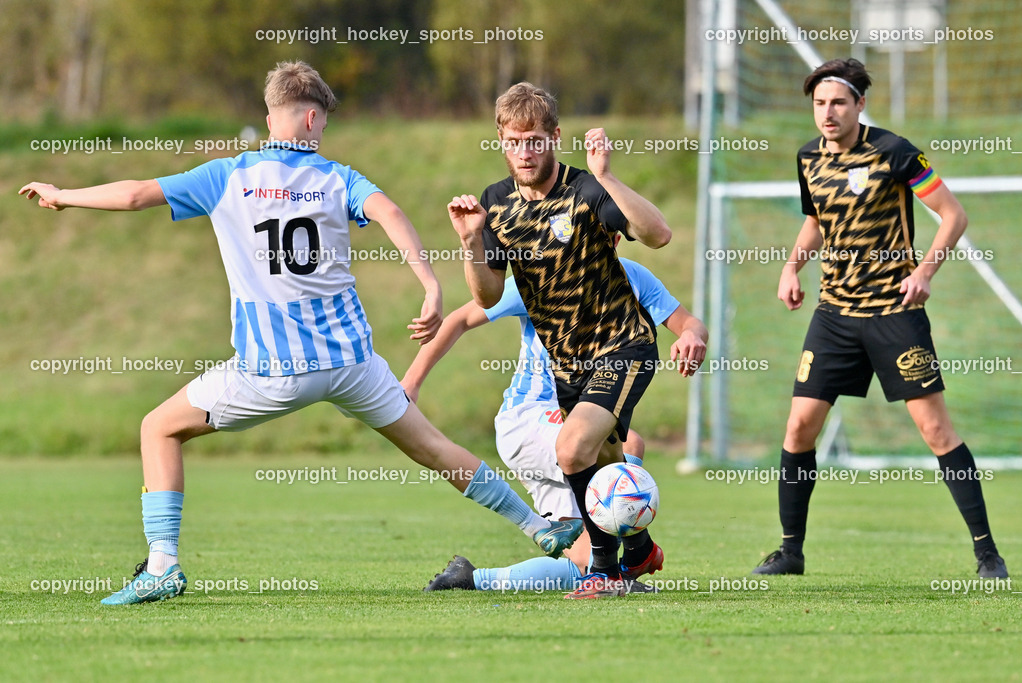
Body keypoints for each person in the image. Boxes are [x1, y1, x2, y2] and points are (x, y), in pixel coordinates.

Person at [19, 61, 583, 605]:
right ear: (313, 120)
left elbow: (137, 193)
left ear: (273, 118)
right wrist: (429, 284)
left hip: (274, 372)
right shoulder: (339, 178)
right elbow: (390, 213)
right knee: (434, 448)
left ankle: (162, 565)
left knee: (158, 429)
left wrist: (63, 195)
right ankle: (539, 527)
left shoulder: (227, 175)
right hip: (352, 366)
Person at [752, 58, 1008, 579]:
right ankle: (790, 551)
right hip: (835, 314)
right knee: (799, 426)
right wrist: (792, 266)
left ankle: (988, 555)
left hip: (895, 312)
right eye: (820, 104)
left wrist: (926, 273)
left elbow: (954, 215)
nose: (828, 113)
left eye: (838, 103)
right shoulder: (808, 158)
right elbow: (817, 220)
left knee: (935, 429)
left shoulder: (895, 151)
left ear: (859, 105)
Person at [446, 82, 677, 598]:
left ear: (554, 137)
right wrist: (469, 243)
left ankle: (602, 571)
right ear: (501, 142)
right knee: (607, 465)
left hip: (623, 346)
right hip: (567, 363)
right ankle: (639, 553)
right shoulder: (495, 204)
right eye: (513, 141)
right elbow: (485, 297)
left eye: (535, 139)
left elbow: (658, 234)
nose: (525, 152)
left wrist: (607, 176)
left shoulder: (586, 192)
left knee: (572, 451)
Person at [402, 257, 706, 593]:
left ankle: (469, 579)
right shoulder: (540, 277)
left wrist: (691, 335)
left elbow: (688, 322)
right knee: (628, 443)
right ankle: (638, 549)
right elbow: (460, 319)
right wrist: (411, 383)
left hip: (569, 426)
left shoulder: (635, 276)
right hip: (529, 416)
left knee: (587, 562)